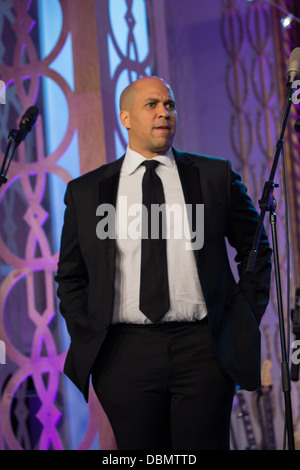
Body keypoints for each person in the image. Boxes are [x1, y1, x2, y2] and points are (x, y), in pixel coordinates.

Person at [55, 76, 272, 450]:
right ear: (126, 117)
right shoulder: (87, 191)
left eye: (169, 105)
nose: (164, 112)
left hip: (202, 349)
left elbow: (255, 249)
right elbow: (72, 277)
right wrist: (88, 330)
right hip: (124, 353)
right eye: (152, 105)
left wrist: (242, 316)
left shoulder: (213, 176)